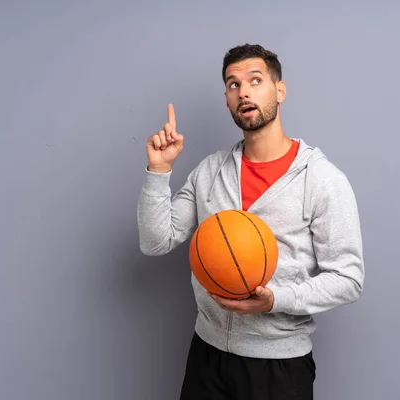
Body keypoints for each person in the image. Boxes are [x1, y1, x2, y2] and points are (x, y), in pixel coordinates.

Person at [137, 43, 364, 400]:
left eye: (255, 80)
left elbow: (349, 280)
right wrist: (159, 170)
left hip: (278, 367)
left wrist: (277, 300)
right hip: (207, 355)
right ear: (227, 100)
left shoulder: (321, 179)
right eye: (232, 84)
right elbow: (155, 242)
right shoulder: (209, 172)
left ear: (280, 89)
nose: (243, 91)